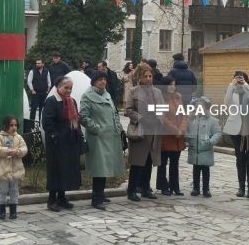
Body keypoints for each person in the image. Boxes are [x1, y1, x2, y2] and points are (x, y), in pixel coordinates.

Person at [79, 70, 126, 210]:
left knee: (106, 167)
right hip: (98, 138)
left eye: (104, 79)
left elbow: (114, 114)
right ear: (94, 81)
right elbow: (83, 117)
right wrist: (96, 128)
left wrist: (119, 129)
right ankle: (96, 198)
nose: (103, 82)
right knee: (99, 168)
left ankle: (101, 193)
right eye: (100, 79)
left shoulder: (107, 95)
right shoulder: (87, 96)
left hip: (111, 137)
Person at [42, 76, 83, 211]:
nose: (69, 90)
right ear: (58, 87)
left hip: (70, 142)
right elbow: (47, 122)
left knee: (66, 170)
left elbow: (76, 120)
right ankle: (52, 199)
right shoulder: (51, 101)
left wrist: (79, 136)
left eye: (70, 88)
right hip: (57, 143)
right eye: (66, 88)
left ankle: (62, 197)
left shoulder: (72, 102)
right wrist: (55, 136)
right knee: (56, 171)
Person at [124, 63, 163, 202]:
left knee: (149, 161)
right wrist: (141, 119)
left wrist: (159, 118)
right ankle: (132, 190)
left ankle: (146, 188)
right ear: (140, 77)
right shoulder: (133, 91)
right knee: (137, 162)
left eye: (150, 76)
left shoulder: (157, 92)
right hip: (140, 131)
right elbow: (128, 110)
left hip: (154, 131)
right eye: (145, 76)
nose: (148, 78)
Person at [223, 71, 249, 198]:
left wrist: (246, 86)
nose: (238, 82)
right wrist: (231, 86)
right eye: (236, 79)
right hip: (237, 129)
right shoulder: (232, 92)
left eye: (241, 79)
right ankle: (241, 187)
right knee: (240, 159)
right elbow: (226, 104)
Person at [185, 97, 222, 197]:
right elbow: (185, 130)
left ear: (206, 108)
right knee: (196, 169)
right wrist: (187, 136)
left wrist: (211, 141)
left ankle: (206, 189)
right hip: (194, 148)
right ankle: (195, 188)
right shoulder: (191, 120)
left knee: (205, 170)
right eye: (196, 107)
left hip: (206, 148)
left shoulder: (212, 120)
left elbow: (217, 132)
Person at [0, 115, 27, 220]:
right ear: (5, 125)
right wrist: (8, 151)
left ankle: (13, 210)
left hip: (16, 169)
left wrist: (18, 151)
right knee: (3, 189)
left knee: (14, 189)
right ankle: (1, 210)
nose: (14, 127)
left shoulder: (18, 137)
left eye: (16, 125)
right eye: (11, 125)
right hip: (4, 169)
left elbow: (24, 148)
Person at [156, 77, 187, 196]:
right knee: (163, 162)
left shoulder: (178, 97)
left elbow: (184, 114)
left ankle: (175, 186)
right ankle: (163, 186)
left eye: (174, 84)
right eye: (170, 84)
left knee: (175, 162)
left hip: (178, 136)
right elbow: (163, 118)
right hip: (166, 135)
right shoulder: (161, 99)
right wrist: (175, 129)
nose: (173, 87)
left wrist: (182, 129)